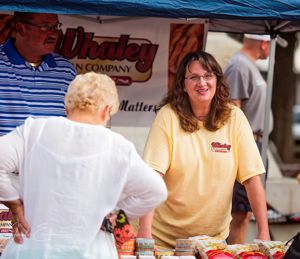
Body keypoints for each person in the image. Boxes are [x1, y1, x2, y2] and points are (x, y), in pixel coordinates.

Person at [0, 72, 168, 259]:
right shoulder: (117, 146)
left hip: (30, 251)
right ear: (106, 110)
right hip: (92, 253)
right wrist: (119, 214)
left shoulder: (34, 131)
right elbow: (155, 191)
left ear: (67, 106)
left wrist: (14, 203)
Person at [137, 50, 270, 249]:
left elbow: (252, 179)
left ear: (218, 80)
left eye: (208, 76)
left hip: (214, 243)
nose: (202, 83)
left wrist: (264, 232)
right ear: (183, 84)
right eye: (194, 77)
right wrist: (145, 233)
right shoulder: (168, 116)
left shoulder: (235, 118)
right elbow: (153, 176)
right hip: (166, 242)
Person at [224, 34, 273, 244]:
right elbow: (232, 109)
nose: (270, 49)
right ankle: (234, 252)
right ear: (263, 43)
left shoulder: (248, 65)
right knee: (240, 211)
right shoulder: (238, 66)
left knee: (248, 210)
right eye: (270, 44)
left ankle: (240, 250)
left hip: (258, 144)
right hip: (246, 145)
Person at [0, 11, 76, 136]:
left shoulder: (66, 71)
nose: (54, 34)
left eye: (56, 27)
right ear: (21, 29)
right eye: (45, 27)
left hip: (51, 154)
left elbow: (73, 122)